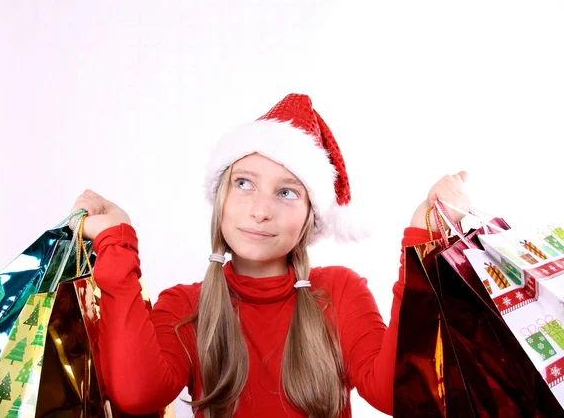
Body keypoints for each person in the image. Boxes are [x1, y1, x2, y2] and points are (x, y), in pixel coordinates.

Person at [70, 94, 470, 417]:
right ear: (221, 197)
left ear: (311, 216)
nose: (261, 210)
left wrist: (424, 245)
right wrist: (116, 244)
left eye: (286, 192)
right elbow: (137, 395)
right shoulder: (186, 307)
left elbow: (394, 395)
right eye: (244, 183)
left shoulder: (338, 293)